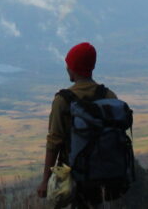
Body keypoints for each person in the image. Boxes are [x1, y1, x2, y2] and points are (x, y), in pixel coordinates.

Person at [36, 42, 118, 208]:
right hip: (101, 178)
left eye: (68, 64)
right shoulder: (109, 96)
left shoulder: (63, 101)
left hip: (71, 179)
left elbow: (54, 143)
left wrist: (45, 181)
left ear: (73, 68)